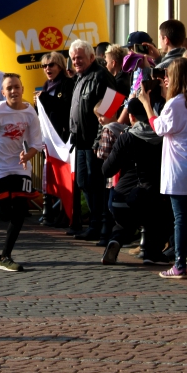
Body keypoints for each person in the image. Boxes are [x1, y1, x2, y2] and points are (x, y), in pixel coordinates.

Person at [138, 57, 187, 279]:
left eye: (168, 76)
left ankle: (180, 265)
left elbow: (159, 128)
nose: (165, 80)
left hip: (180, 169)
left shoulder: (175, 103)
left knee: (181, 219)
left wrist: (146, 103)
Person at [0, 74, 42, 272]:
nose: (13, 91)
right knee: (4, 214)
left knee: (20, 212)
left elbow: (36, 144)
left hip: (19, 167)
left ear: (22, 89)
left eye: (16, 87)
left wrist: (27, 156)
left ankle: (5, 256)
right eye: (9, 88)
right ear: (2, 93)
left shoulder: (30, 113)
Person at [99, 98, 170, 265]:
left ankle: (115, 240)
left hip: (122, 198)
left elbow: (107, 170)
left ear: (131, 116)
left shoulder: (126, 138)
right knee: (155, 218)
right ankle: (152, 253)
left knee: (125, 223)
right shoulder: (163, 137)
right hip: (153, 196)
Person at [67, 39, 117, 241]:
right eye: (73, 58)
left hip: (94, 142)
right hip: (80, 141)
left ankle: (103, 225)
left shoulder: (101, 76)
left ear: (91, 56)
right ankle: (95, 223)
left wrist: (99, 142)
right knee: (83, 181)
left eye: (80, 57)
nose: (76, 61)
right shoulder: (80, 77)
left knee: (97, 185)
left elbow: (109, 109)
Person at [36, 51, 73, 225]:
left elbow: (65, 107)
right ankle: (50, 210)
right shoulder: (46, 85)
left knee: (63, 174)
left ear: (60, 66)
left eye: (51, 65)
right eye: (44, 66)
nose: (47, 69)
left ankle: (64, 212)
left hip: (62, 137)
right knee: (49, 175)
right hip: (48, 139)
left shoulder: (67, 84)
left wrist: (44, 99)